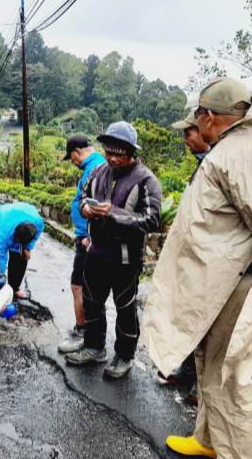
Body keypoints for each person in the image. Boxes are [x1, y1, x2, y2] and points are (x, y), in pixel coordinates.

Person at [142, 78, 252, 458]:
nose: (194, 125)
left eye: (197, 115)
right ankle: (209, 440)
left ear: (210, 116)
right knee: (208, 363)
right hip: (220, 283)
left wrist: (249, 276)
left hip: (238, 284)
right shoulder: (236, 148)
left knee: (230, 377)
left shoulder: (246, 153)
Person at [64, 122, 162, 379]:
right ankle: (95, 347)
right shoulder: (97, 172)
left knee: (125, 308)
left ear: (131, 151)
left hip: (126, 258)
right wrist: (86, 209)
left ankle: (125, 355)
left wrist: (115, 213)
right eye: (109, 151)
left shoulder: (146, 180)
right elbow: (84, 197)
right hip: (95, 253)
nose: (112, 157)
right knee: (92, 302)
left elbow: (151, 219)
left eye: (118, 153)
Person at [154, 106, 211, 402]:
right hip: (193, 258)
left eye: (188, 132)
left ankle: (204, 387)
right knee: (190, 317)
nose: (185, 139)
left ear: (205, 128)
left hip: (210, 263)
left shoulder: (218, 164)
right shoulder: (203, 164)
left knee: (206, 323)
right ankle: (188, 372)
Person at [58, 134, 105, 353]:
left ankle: (84, 334)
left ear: (78, 151)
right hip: (86, 235)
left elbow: (100, 205)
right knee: (83, 286)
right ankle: (86, 333)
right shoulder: (94, 166)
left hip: (87, 238)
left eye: (72, 157)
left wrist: (90, 235)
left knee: (81, 287)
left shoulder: (95, 168)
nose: (73, 163)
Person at [0, 202, 45, 300]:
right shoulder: (1, 234)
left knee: (21, 257)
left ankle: (13, 289)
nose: (17, 245)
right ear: (15, 234)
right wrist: (0, 288)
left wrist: (27, 248)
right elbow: (1, 260)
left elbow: (38, 231)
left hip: (17, 217)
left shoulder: (38, 222)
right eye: (17, 242)